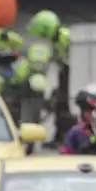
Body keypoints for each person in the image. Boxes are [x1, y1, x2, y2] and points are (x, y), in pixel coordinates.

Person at [26, 9, 73, 142]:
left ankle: (65, 138)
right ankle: (59, 137)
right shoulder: (56, 39)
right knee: (59, 104)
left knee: (65, 107)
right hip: (64, 73)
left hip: (72, 75)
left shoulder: (67, 38)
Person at [59, 84, 96, 154]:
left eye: (92, 109)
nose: (88, 114)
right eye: (85, 109)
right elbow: (64, 157)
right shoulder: (76, 133)